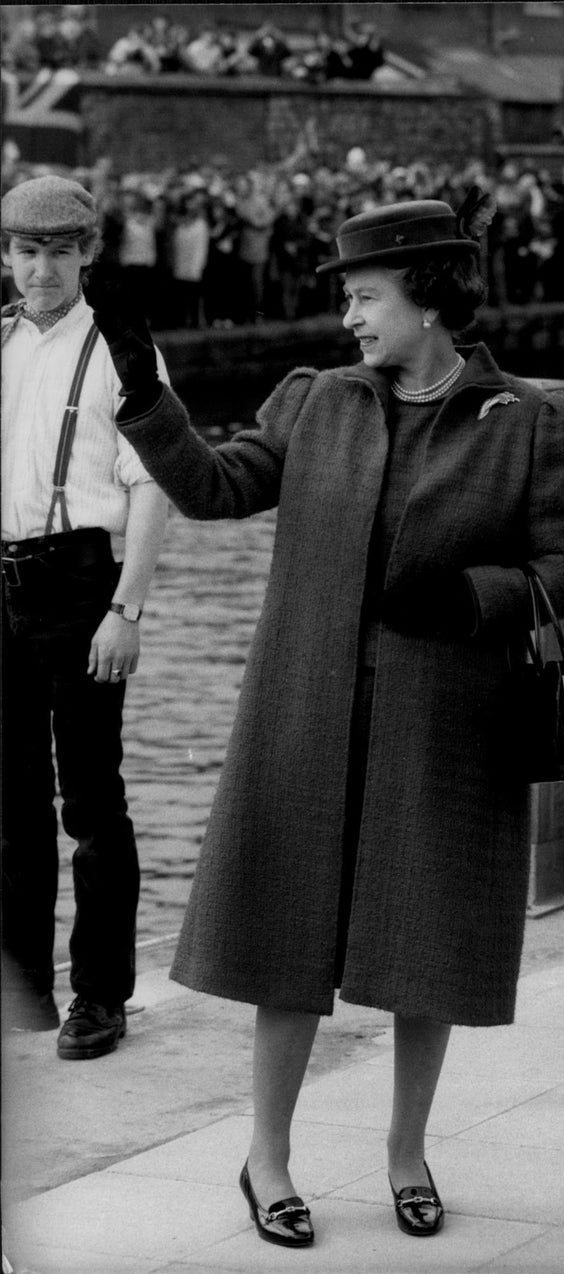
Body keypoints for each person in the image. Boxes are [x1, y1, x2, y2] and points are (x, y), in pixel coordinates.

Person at [99, 195, 564, 1247]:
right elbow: (215, 487)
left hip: (445, 719)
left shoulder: (529, 418)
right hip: (309, 709)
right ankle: (266, 1156)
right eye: (347, 300)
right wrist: (146, 392)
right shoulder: (318, 400)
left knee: (429, 942)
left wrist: (474, 596)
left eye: (365, 298)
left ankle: (405, 1149)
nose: (350, 320)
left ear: (428, 298)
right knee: (288, 933)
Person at [0, 175, 171, 1059]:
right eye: (26, 252)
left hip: (81, 584)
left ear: (88, 255)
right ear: (6, 254)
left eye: (58, 253)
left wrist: (126, 610)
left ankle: (99, 998)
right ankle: (20, 991)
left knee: (92, 803)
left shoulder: (124, 347)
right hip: (2, 584)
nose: (40, 271)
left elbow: (153, 489)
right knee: (11, 804)